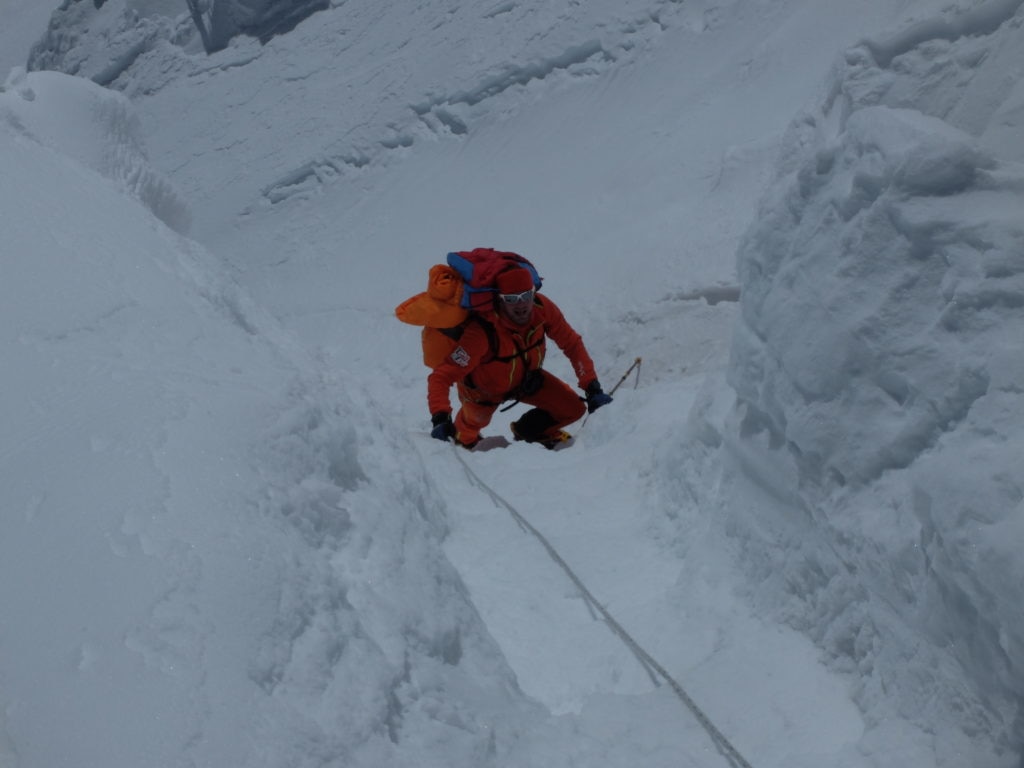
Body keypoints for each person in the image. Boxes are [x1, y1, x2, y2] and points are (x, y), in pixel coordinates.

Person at [427, 267, 613, 449]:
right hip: (483, 393)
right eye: (511, 299)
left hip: (528, 381)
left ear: (533, 293)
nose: (521, 304)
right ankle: (466, 444)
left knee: (574, 409)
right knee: (466, 435)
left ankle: (526, 431)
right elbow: (441, 376)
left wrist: (592, 386)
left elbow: (572, 344)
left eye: (526, 296)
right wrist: (440, 418)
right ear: (500, 301)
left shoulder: (542, 309)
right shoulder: (481, 332)